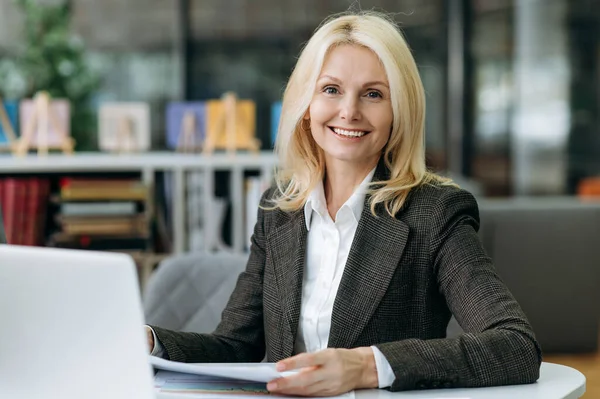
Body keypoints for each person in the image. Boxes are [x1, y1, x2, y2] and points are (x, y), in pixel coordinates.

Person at [146, 11, 541, 396]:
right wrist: (149, 342)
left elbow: (515, 346)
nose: (349, 111)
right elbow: (235, 348)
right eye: (331, 89)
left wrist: (366, 367)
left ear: (398, 111)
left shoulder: (435, 212)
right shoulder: (279, 209)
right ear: (306, 106)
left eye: (373, 94)